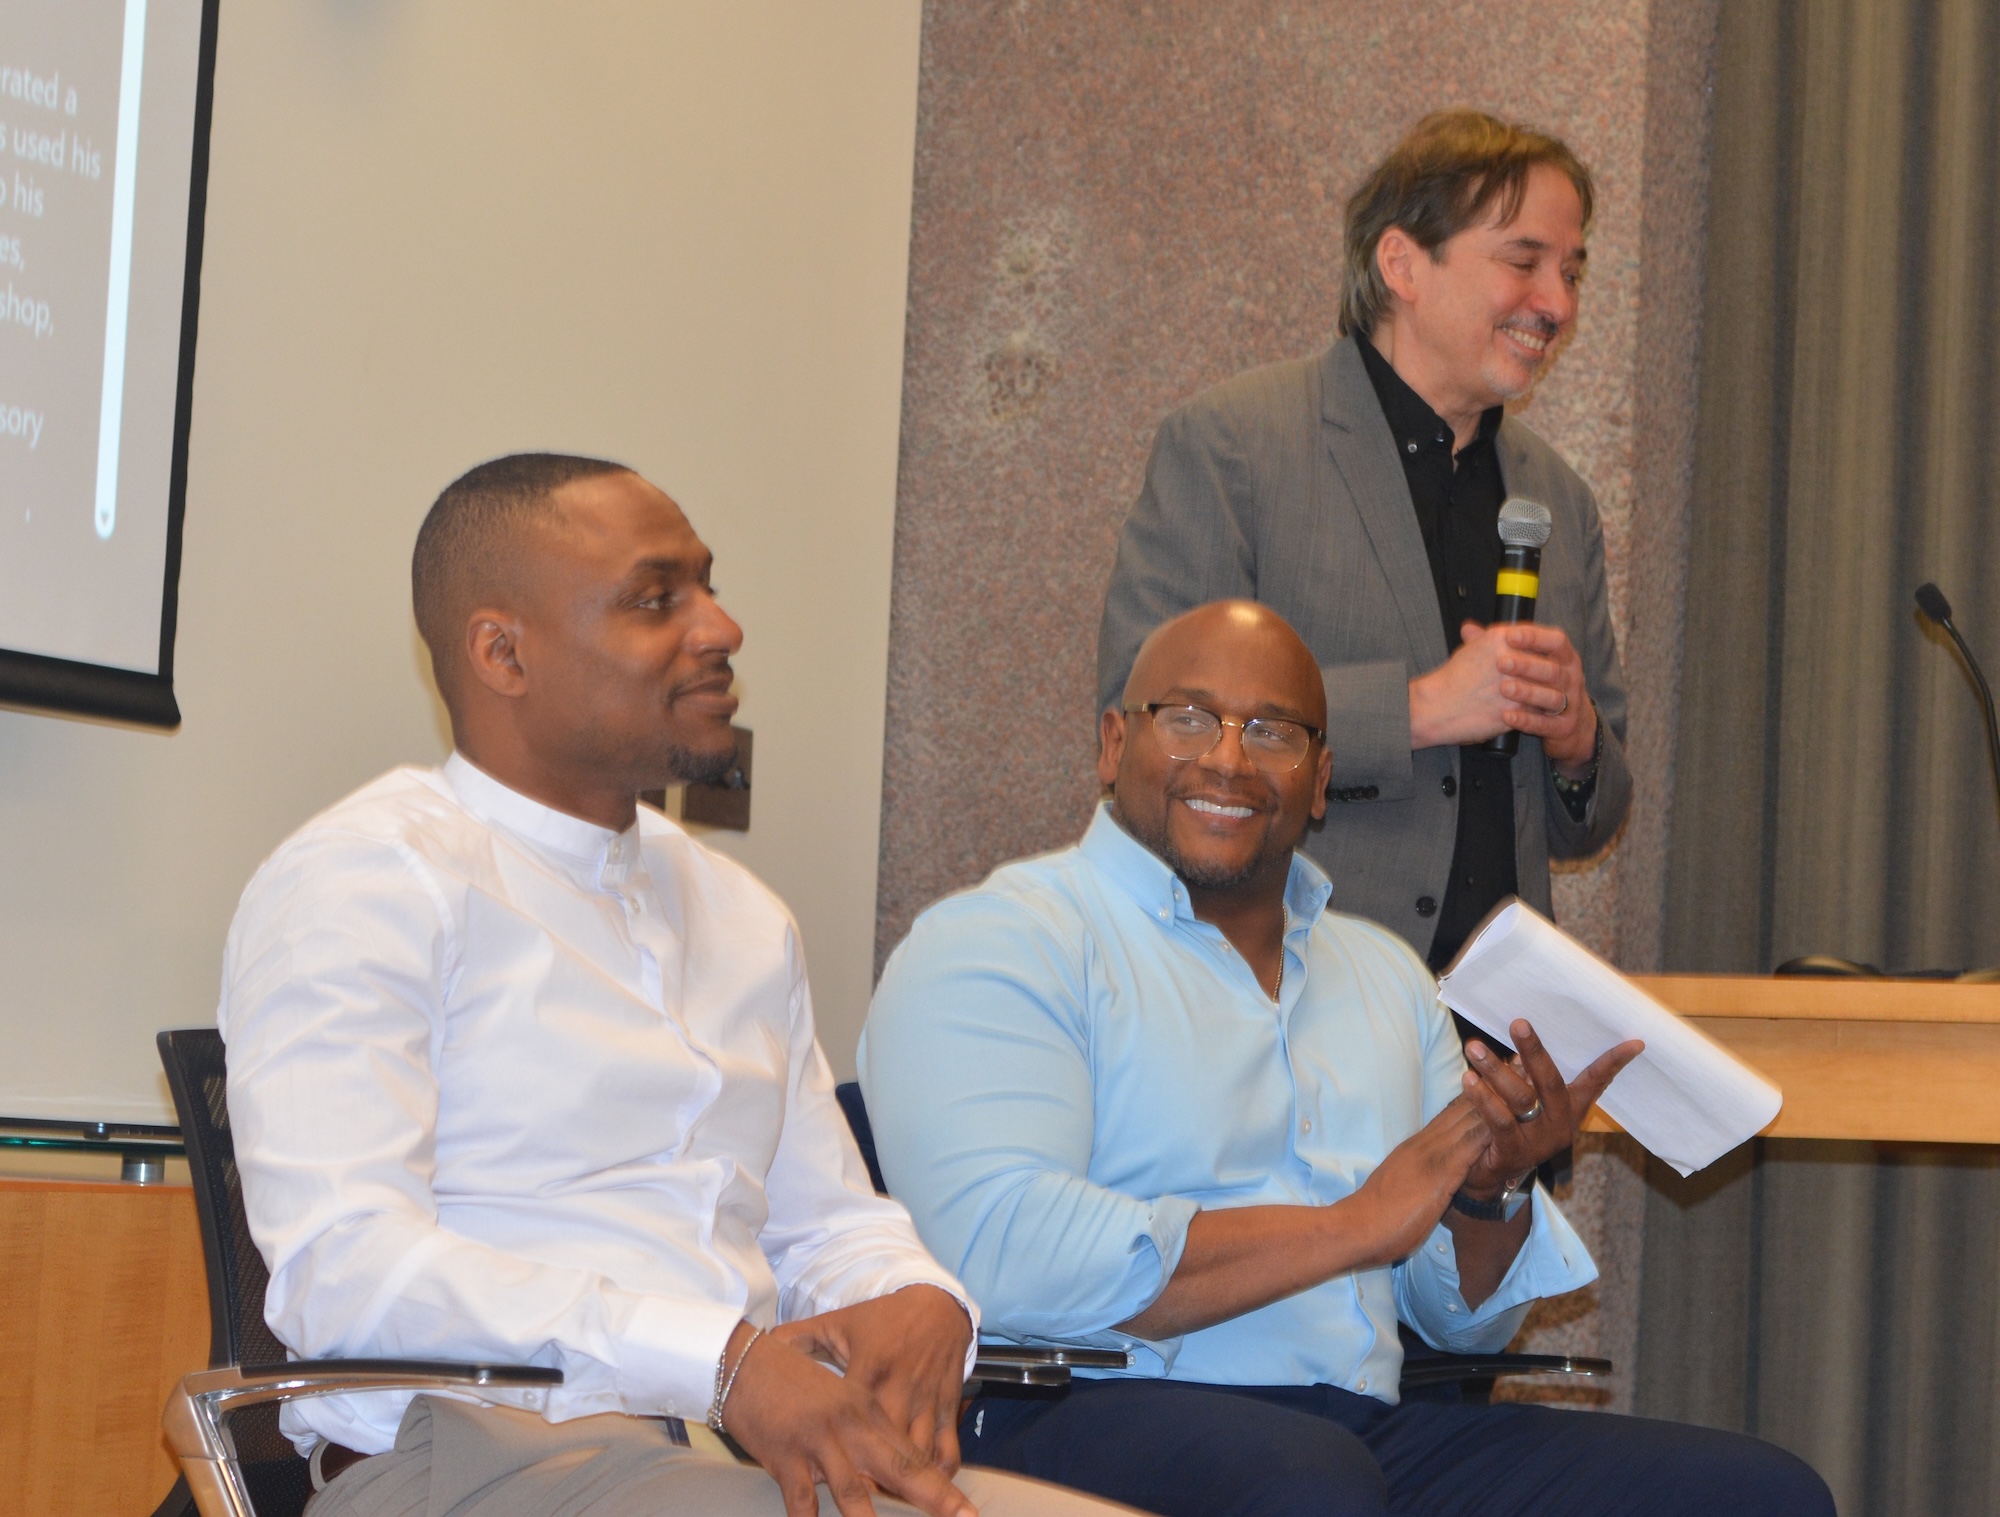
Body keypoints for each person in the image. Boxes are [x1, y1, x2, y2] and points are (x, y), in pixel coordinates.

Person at [218, 454, 1125, 1517]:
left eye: (707, 585)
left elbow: (824, 1223)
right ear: (502, 652)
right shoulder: (367, 879)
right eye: (656, 599)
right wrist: (720, 1360)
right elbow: (345, 1270)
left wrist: (921, 1296)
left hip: (734, 1460)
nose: (721, 627)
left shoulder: (739, 909)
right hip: (476, 1464)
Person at [862, 601, 1833, 1517]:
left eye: (1273, 731)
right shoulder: (1004, 938)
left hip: (1358, 1433)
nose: (1229, 758)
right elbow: (1004, 1254)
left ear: (1321, 778)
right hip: (1068, 1404)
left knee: (1756, 1492)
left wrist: (1484, 1194)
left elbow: (1457, 1324)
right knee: (1310, 1479)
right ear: (1114, 744)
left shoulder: (1386, 975)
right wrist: (1350, 1225)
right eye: (1189, 718)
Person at [1096, 109, 1630, 974]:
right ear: (1402, 264)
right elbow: (1147, 731)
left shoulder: (1560, 502)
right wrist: (1422, 709)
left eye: (1571, 272)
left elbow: (1590, 820)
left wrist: (1576, 741)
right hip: (1281, 998)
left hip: (1495, 1029)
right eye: (1524, 262)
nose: (1558, 304)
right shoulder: (1237, 446)